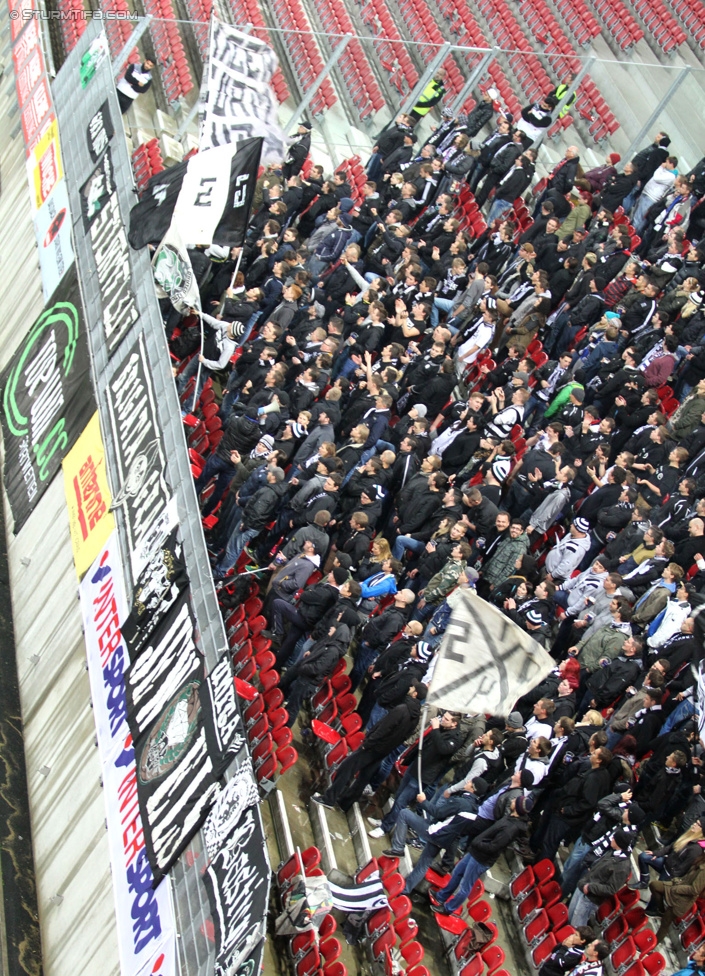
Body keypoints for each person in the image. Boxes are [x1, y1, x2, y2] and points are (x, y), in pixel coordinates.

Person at [312, 681, 425, 812]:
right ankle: (345, 803)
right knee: (364, 778)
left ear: (415, 694)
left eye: (412, 688)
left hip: (373, 747)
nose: (410, 687)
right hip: (384, 751)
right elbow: (404, 736)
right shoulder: (415, 717)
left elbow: (383, 729)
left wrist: (368, 744)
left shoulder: (401, 710)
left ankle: (329, 799)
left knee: (346, 768)